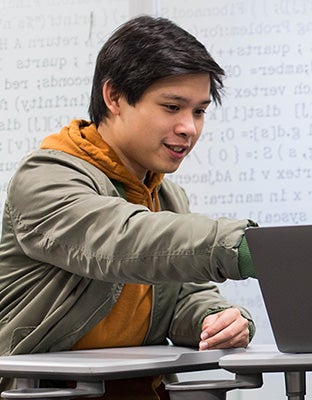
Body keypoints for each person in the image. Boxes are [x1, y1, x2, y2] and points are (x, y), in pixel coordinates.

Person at [0, 15, 257, 398]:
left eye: (199, 111)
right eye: (172, 107)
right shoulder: (45, 178)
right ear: (114, 97)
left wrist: (216, 319)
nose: (189, 127)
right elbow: (122, 240)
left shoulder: (167, 197)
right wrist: (240, 245)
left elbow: (182, 296)